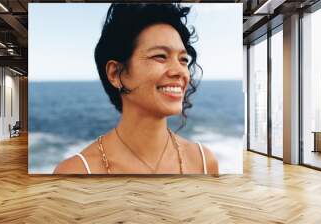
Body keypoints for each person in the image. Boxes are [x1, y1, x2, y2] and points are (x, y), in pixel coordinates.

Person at [54, 3, 218, 174]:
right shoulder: (77, 170)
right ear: (115, 74)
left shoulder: (203, 161)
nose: (179, 71)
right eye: (160, 56)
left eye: (183, 59)